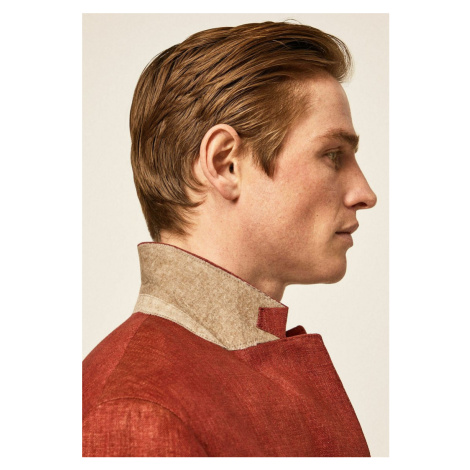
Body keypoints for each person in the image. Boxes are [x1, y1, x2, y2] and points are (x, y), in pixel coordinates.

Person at [82, 20, 377, 457]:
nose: (365, 193)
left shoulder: (178, 384)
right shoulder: (137, 410)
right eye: (333, 155)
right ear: (225, 164)